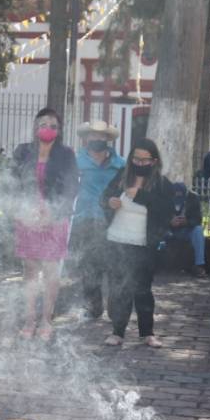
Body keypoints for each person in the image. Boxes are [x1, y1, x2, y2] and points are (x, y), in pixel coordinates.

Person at [10, 108, 79, 340]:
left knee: (51, 271)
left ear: (59, 131)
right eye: (43, 123)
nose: (47, 128)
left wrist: (55, 212)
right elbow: (11, 183)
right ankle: (29, 321)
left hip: (55, 218)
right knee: (30, 270)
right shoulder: (22, 152)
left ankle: (46, 321)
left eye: (53, 125)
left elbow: (71, 187)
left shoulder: (66, 155)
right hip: (26, 216)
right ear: (35, 127)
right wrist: (19, 210)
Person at [101, 139, 175, 348]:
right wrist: (110, 202)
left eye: (145, 160)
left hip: (144, 244)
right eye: (136, 159)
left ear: (154, 161)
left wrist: (142, 196)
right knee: (119, 288)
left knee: (142, 289)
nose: (140, 163)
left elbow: (167, 210)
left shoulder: (162, 184)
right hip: (117, 240)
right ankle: (117, 331)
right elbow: (104, 197)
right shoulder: (121, 178)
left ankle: (147, 333)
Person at [71, 121, 125, 319]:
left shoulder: (121, 164)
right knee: (88, 266)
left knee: (114, 265)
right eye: (93, 135)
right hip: (84, 220)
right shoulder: (76, 162)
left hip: (112, 221)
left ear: (108, 139)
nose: (97, 139)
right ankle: (93, 306)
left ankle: (115, 305)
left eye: (101, 136)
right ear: (86, 138)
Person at [166, 181, 206, 277]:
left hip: (186, 229)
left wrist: (187, 222)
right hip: (169, 230)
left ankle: (199, 265)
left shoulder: (193, 198)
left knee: (198, 230)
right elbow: (158, 217)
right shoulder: (165, 197)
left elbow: (198, 219)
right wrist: (169, 222)